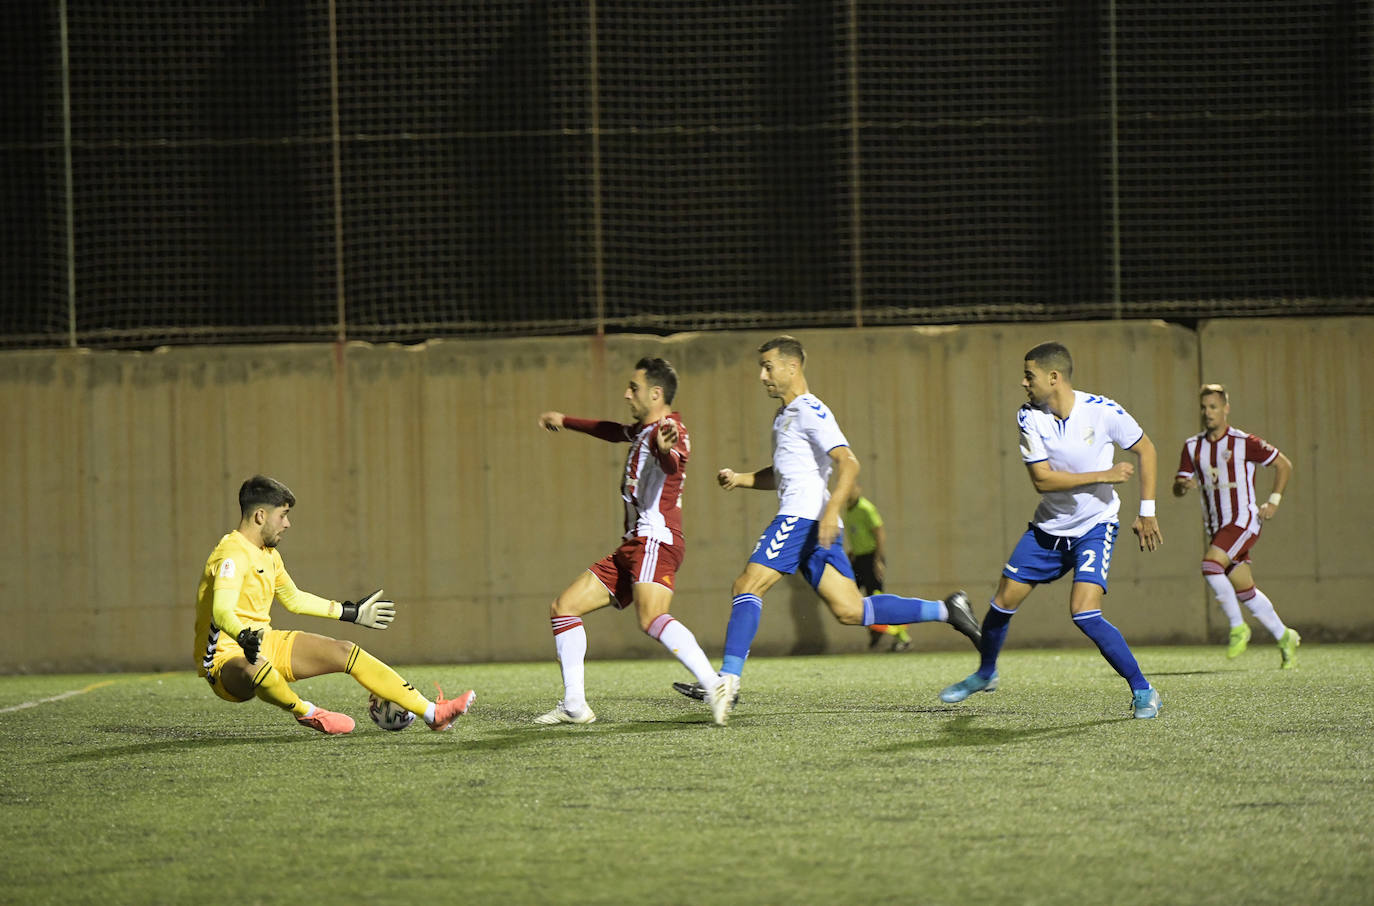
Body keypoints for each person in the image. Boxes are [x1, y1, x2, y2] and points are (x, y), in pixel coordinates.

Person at [689, 335, 980, 726]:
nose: (762, 376)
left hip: (802, 519)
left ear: (792, 367)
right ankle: (948, 610)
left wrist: (830, 509)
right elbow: (786, 474)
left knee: (746, 586)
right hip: (812, 522)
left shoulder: (810, 410)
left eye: (768, 367)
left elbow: (849, 463)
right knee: (850, 610)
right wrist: (741, 478)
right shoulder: (784, 415)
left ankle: (727, 680)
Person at [939, 341, 1164, 719]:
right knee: (1002, 602)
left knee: (1084, 612)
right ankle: (986, 672)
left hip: (1095, 526)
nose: (1023, 383)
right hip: (1048, 530)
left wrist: (1148, 511)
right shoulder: (1029, 417)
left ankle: (1145, 691)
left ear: (1053, 377)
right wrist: (1104, 474)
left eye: (1029, 376)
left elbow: (1147, 450)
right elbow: (1042, 481)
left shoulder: (1104, 412)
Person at [194, 475, 476, 735]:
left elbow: (293, 598)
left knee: (345, 651)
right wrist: (244, 637)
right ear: (260, 516)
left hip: (262, 641)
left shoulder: (268, 555)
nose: (287, 524)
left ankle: (433, 713)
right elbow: (221, 611)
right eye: (283, 515)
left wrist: (349, 612)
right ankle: (307, 712)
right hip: (224, 659)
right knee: (258, 667)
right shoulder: (232, 554)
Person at [533, 357, 721, 725]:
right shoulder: (642, 430)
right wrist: (565, 420)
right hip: (633, 544)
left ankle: (714, 684)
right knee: (564, 608)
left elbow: (674, 462)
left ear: (656, 393)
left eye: (633, 388)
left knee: (651, 617)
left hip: (656, 539)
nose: (626, 394)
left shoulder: (668, 429)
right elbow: (611, 430)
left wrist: (666, 452)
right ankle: (574, 705)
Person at [1173, 383, 1299, 667]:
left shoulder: (1243, 442)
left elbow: (1284, 465)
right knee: (1246, 590)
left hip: (1243, 521)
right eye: (1204, 408)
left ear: (1226, 409)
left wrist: (1274, 502)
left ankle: (1237, 627)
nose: (1208, 413)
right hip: (1218, 527)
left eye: (1214, 407)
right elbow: (1178, 487)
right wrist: (1182, 486)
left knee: (1210, 566)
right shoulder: (1193, 447)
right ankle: (1284, 636)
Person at [845, 487, 911, 651]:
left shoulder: (865, 508)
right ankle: (875, 629)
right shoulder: (848, 511)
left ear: (858, 490)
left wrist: (878, 560)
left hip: (871, 558)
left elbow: (879, 533)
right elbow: (860, 535)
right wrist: (853, 551)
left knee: (878, 599)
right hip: (859, 559)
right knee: (850, 595)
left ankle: (902, 637)